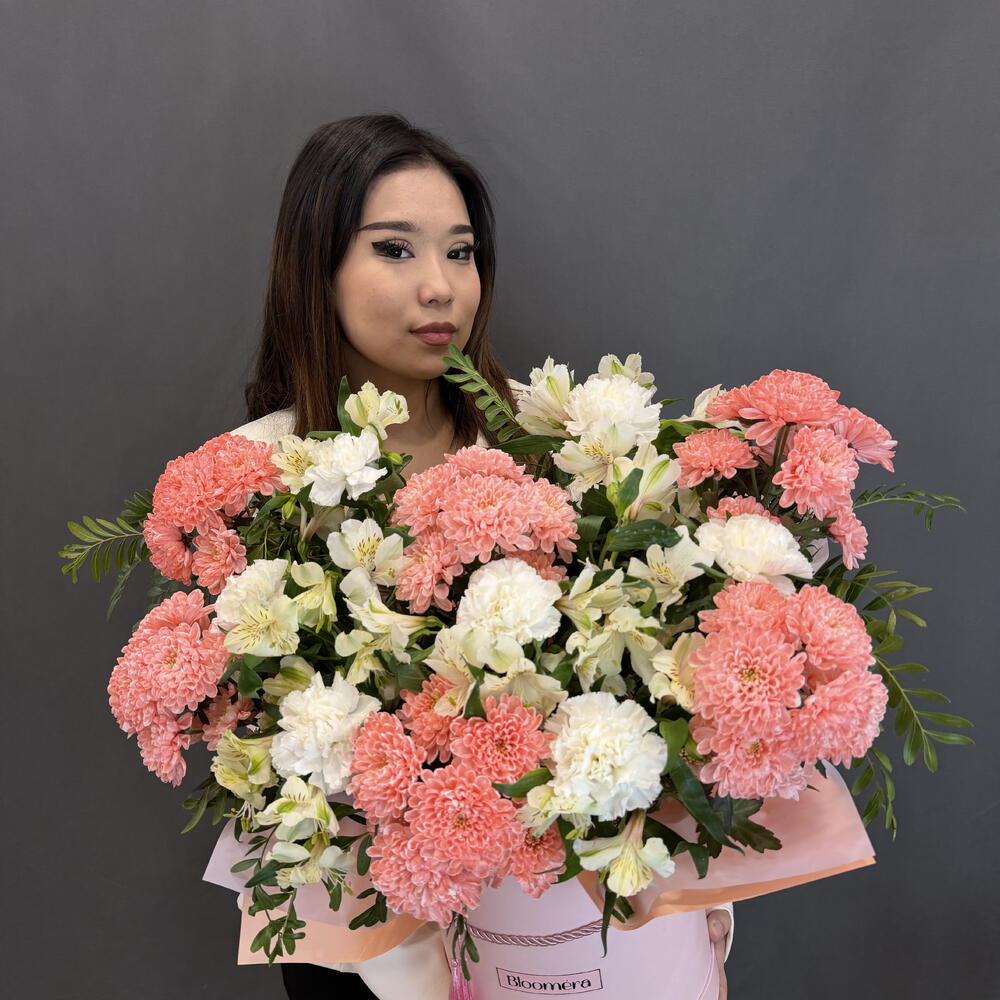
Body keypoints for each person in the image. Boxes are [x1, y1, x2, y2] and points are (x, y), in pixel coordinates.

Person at [229, 113, 734, 999]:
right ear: (317, 266)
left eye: (460, 253)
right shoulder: (256, 476)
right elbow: (252, 744)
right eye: (394, 249)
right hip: (369, 943)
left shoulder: (558, 438)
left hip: (572, 928)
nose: (440, 287)